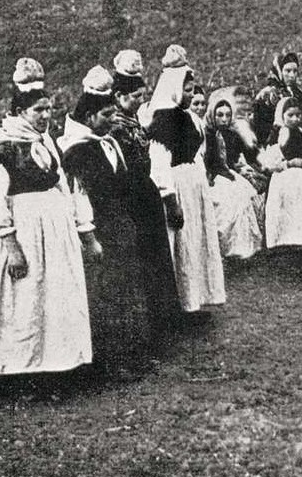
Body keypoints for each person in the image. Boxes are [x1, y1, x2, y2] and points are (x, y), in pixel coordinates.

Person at [0, 57, 95, 378]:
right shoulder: (3, 149)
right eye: (38, 111)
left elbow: (63, 187)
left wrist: (78, 228)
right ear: (19, 113)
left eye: (48, 110)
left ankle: (61, 363)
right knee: (26, 301)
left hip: (55, 233)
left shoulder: (45, 144)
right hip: (25, 234)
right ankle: (23, 371)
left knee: (56, 296)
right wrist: (12, 248)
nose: (45, 116)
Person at [60, 65, 151, 380]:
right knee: (105, 294)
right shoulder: (76, 151)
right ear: (88, 118)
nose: (113, 120)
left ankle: (132, 353)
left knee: (128, 288)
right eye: (106, 116)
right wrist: (91, 236)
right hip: (100, 228)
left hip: (120, 223)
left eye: (114, 114)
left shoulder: (108, 143)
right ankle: (109, 361)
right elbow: (81, 196)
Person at [109, 49, 183, 343]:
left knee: (156, 257)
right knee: (142, 261)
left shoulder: (133, 121)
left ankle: (163, 323)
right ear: (118, 96)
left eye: (142, 96)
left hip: (146, 192)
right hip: (131, 196)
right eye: (135, 97)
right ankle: (149, 329)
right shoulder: (115, 126)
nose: (140, 101)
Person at [147, 44, 226, 314]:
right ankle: (180, 303)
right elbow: (159, 163)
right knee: (181, 243)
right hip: (178, 185)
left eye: (192, 89)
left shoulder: (189, 117)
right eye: (187, 89)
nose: (190, 94)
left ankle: (196, 299)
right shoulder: (163, 120)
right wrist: (170, 199)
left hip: (194, 183)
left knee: (196, 240)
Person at [262, 97, 302, 249]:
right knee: (289, 206)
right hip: (286, 176)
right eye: (290, 115)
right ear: (282, 115)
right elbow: (270, 162)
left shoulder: (301, 132)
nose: (295, 119)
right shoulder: (280, 133)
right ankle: (286, 239)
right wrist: (289, 164)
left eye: (298, 115)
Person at [204, 91, 262, 260]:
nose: (224, 119)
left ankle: (243, 248)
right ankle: (223, 248)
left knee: (245, 197)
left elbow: (240, 158)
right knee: (228, 202)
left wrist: (242, 170)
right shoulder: (206, 135)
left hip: (229, 174)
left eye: (227, 115)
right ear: (212, 115)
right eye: (220, 115)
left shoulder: (233, 135)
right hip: (214, 177)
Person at [253, 52, 302, 146]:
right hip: (276, 145)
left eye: (295, 71)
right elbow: (260, 126)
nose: (292, 75)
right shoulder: (267, 94)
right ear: (279, 71)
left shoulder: (298, 94)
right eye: (288, 71)